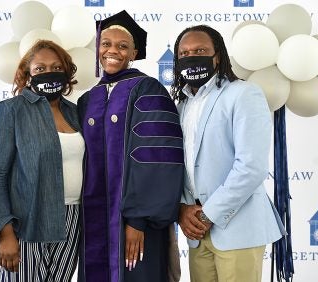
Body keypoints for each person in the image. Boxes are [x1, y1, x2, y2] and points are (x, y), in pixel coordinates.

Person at [171, 25, 286, 282]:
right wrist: (182, 209)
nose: (191, 57)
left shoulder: (243, 93)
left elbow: (251, 166)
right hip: (197, 233)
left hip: (237, 228)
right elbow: (179, 166)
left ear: (218, 56)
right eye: (184, 53)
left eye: (200, 50)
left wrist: (208, 213)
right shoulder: (181, 106)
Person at [77, 10, 184, 282]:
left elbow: (156, 158)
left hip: (137, 223)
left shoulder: (148, 90)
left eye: (122, 46)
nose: (113, 50)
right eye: (106, 44)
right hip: (95, 222)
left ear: (134, 53)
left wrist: (138, 220)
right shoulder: (88, 99)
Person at [0, 39, 83, 282]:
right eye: (40, 69)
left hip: (73, 219)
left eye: (56, 68)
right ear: (27, 75)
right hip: (26, 222)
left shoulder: (76, 112)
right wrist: (4, 234)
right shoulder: (10, 111)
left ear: (67, 72)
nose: (49, 73)